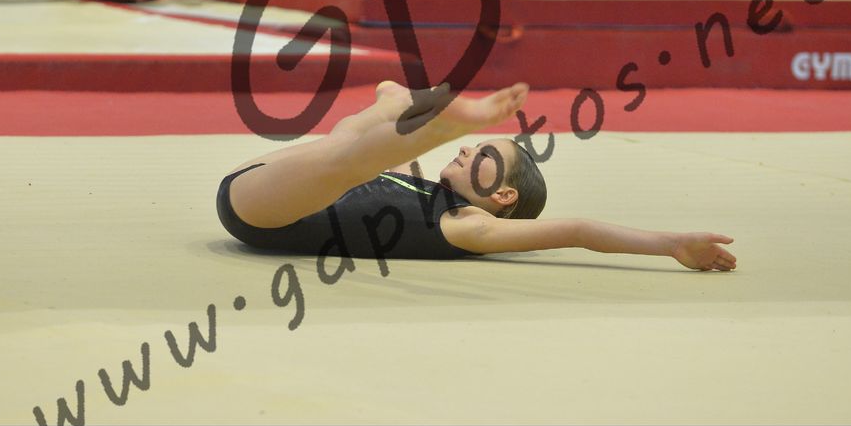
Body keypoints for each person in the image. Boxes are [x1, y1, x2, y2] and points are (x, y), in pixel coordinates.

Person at [217, 81, 737, 271]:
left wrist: (672, 244)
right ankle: (398, 108)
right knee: (350, 147)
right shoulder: (424, 189)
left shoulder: (469, 225)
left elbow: (578, 230)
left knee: (349, 156)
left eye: (483, 152)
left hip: (264, 214)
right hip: (269, 179)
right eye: (470, 142)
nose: (469, 151)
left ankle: (416, 116)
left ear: (504, 195)